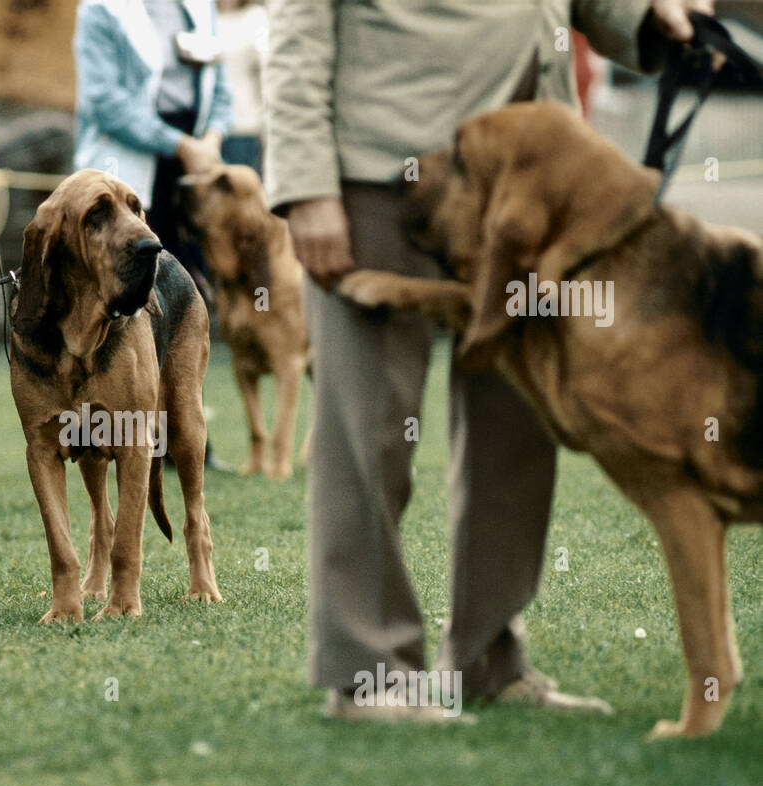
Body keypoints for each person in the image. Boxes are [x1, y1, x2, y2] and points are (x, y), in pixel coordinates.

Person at [264, 0, 714, 720]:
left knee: (516, 428)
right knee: (366, 426)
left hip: (529, 176)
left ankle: (490, 657)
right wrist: (306, 182)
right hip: (383, 168)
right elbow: (297, 22)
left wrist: (647, 15)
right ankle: (368, 669)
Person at [73, 0, 235, 469]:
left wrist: (212, 142)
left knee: (187, 304)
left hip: (192, 167)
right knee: (118, 306)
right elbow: (105, 101)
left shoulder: (198, 5)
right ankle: (107, 435)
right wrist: (181, 146)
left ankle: (183, 436)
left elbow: (219, 86)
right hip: (127, 165)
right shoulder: (101, 9)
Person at [215, 0, 267, 174]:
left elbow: (267, 70)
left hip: (244, 124)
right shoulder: (202, 14)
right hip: (206, 130)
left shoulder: (255, 18)